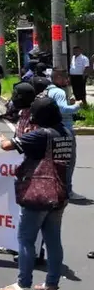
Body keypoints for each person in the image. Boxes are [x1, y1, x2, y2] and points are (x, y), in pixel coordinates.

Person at [0, 96, 73, 290]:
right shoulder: (66, 134)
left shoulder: (41, 135)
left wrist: (2, 138)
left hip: (38, 194)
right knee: (53, 241)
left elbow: (7, 146)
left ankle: (23, 285)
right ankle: (51, 285)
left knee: (26, 240)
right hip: (59, 192)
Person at [45, 70, 81, 200]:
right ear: (58, 77)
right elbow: (63, 110)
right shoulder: (59, 92)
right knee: (68, 162)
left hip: (51, 128)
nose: (67, 81)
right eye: (65, 78)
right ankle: (67, 191)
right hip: (65, 129)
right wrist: (77, 105)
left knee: (54, 162)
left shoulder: (47, 90)